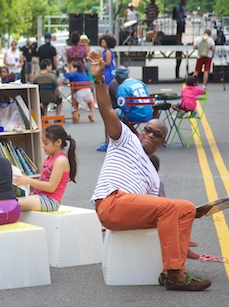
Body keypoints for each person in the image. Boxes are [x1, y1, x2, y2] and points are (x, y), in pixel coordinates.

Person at [87, 50, 212, 291]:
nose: (151, 135)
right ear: (141, 131)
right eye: (148, 130)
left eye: (158, 135)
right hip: (111, 202)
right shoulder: (126, 139)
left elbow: (161, 213)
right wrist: (99, 79)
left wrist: (181, 240)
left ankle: (175, 268)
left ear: (161, 143)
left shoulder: (153, 177)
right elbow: (106, 110)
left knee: (185, 208)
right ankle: (175, 274)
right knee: (169, 207)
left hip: (131, 210)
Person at [13, 125, 77, 212]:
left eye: (46, 143)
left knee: (13, 204)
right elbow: (42, 181)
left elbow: (51, 187)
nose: (43, 146)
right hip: (40, 196)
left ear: (58, 142)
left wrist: (29, 181)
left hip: (50, 200)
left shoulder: (60, 160)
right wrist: (24, 179)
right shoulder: (48, 158)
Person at [174, 0, 187, 79]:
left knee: (181, 33)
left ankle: (180, 40)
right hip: (180, 21)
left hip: (182, 20)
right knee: (179, 32)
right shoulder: (178, 7)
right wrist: (181, 21)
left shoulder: (183, 7)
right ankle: (178, 40)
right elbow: (178, 14)